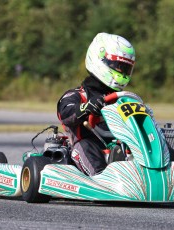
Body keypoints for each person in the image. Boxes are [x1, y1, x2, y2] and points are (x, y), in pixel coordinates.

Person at [57, 32, 136, 176]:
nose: (122, 72)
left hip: (122, 145)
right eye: (118, 67)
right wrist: (86, 108)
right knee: (87, 145)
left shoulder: (123, 99)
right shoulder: (78, 95)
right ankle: (103, 178)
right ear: (100, 60)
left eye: (126, 68)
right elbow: (65, 113)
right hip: (89, 146)